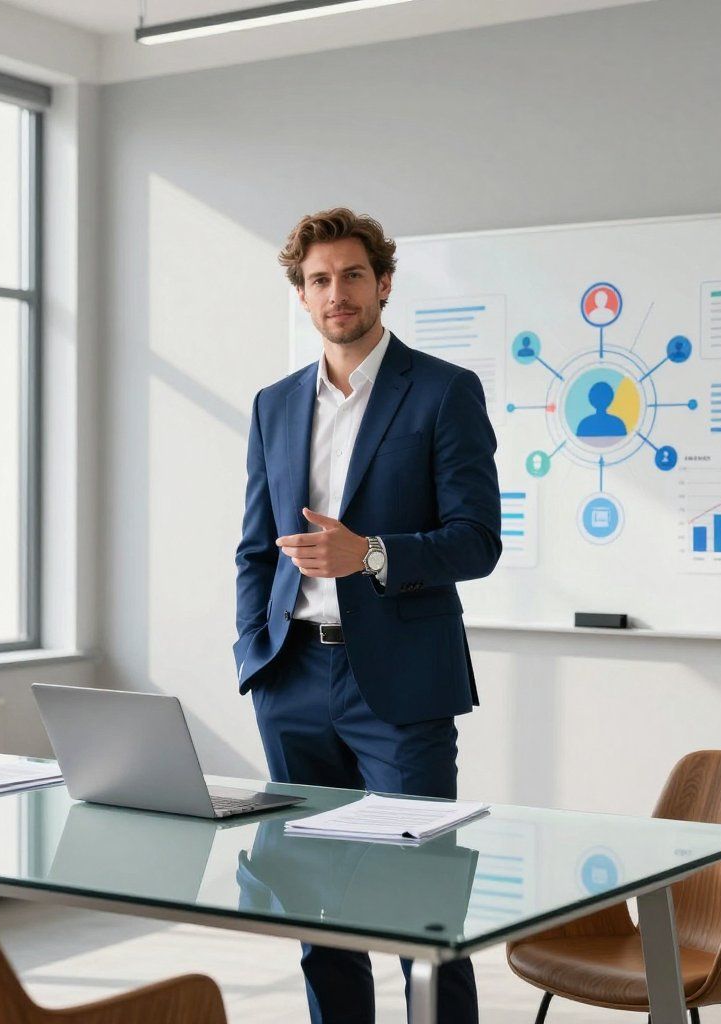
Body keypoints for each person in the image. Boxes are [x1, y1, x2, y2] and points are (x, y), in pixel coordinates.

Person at [234, 207, 501, 1023]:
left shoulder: (445, 391)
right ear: (302, 294)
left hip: (401, 686)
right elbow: (254, 548)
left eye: (352, 275)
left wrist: (371, 554)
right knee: (319, 911)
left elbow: (476, 542)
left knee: (423, 907)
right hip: (294, 680)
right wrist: (257, 658)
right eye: (319, 280)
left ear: (383, 283)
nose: (336, 293)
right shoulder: (275, 403)